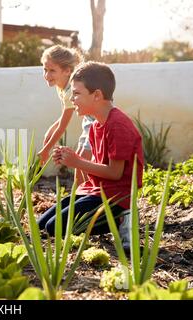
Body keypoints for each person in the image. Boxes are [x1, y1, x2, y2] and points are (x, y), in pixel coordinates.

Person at [37, 62, 144, 239]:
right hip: (96, 191)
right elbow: (96, 167)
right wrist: (68, 158)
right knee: (42, 226)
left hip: (116, 200)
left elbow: (115, 173)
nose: (72, 99)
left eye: (77, 93)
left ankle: (121, 219)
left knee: (53, 228)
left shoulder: (117, 125)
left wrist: (77, 162)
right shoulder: (95, 126)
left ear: (97, 95)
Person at [37, 45, 94, 185]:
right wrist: (49, 132)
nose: (47, 75)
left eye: (52, 71)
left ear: (67, 71)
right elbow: (63, 116)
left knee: (83, 160)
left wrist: (45, 150)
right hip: (89, 123)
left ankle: (86, 196)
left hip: (97, 123)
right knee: (81, 160)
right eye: (45, 69)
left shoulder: (70, 91)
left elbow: (63, 126)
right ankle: (79, 195)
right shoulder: (62, 87)